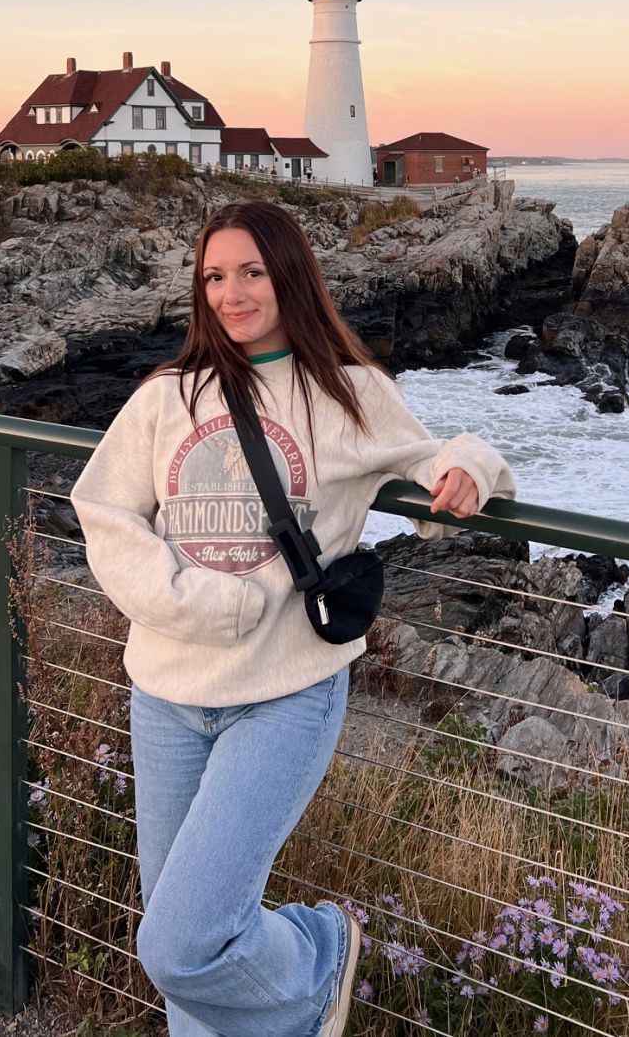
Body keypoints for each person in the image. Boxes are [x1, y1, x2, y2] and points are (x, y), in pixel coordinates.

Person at [70, 200, 515, 1037]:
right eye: (214, 276)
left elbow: (439, 458)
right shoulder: (168, 395)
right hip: (164, 694)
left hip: (285, 695)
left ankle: (318, 951)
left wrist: (470, 471)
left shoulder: (347, 394)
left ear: (290, 276)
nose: (232, 293)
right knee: (191, 962)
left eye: (251, 272)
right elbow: (103, 510)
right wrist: (194, 600)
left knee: (180, 944)